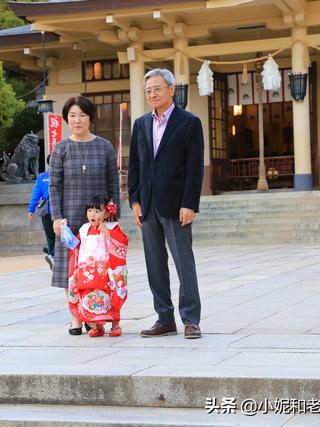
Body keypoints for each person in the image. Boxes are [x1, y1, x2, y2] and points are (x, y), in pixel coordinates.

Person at [128, 68, 205, 339]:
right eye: (148, 91)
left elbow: (195, 168)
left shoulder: (189, 123)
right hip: (148, 205)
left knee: (184, 263)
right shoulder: (140, 125)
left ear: (172, 90)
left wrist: (189, 204)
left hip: (176, 205)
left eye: (157, 89)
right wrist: (134, 200)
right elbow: (134, 165)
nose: (152, 94)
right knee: (155, 265)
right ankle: (164, 318)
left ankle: (191, 320)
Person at [49, 95, 120, 335]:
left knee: (96, 267)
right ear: (66, 119)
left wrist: (112, 216)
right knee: (72, 269)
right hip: (69, 217)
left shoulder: (105, 146)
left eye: (82, 115)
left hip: (98, 219)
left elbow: (113, 183)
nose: (77, 120)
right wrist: (56, 217)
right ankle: (76, 318)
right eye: (72, 116)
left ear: (90, 118)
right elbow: (54, 186)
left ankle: (94, 314)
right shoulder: (60, 149)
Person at [67, 195, 128, 337]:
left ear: (107, 213)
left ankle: (115, 325)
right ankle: (97, 325)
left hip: (107, 271)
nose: (92, 214)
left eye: (97, 211)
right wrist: (67, 233)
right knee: (91, 297)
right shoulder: (84, 229)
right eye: (89, 210)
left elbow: (122, 243)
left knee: (111, 296)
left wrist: (106, 232)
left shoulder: (113, 227)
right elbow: (76, 246)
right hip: (89, 271)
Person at [28, 154, 55, 270]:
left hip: (49, 212)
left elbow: (36, 194)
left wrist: (31, 210)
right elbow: (36, 194)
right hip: (55, 211)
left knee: (51, 236)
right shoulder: (62, 175)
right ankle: (53, 255)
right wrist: (31, 209)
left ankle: (52, 255)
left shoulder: (42, 177)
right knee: (56, 236)